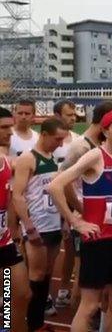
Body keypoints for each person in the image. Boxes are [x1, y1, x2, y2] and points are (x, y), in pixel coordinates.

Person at [49, 109, 112, 332]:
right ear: (105, 131)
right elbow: (55, 185)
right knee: (90, 305)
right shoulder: (95, 156)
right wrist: (74, 220)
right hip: (97, 240)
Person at [13, 117, 68, 331]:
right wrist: (29, 227)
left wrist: (63, 221)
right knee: (35, 275)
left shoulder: (52, 157)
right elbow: (17, 196)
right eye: (57, 139)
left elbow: (57, 193)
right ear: (44, 134)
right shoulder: (28, 158)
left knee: (45, 274)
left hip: (53, 224)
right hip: (37, 227)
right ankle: (30, 323)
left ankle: (38, 321)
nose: (61, 144)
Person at [0, 107, 31, 332]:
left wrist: (14, 227)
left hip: (5, 242)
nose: (9, 132)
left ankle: (10, 326)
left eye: (9, 127)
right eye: (3, 127)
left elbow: (10, 199)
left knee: (19, 293)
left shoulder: (7, 162)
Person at [52, 99, 80, 310]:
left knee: (71, 247)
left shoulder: (78, 141)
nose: (73, 118)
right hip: (46, 203)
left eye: (74, 114)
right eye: (69, 114)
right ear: (57, 115)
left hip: (70, 200)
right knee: (44, 250)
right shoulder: (46, 140)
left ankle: (64, 288)